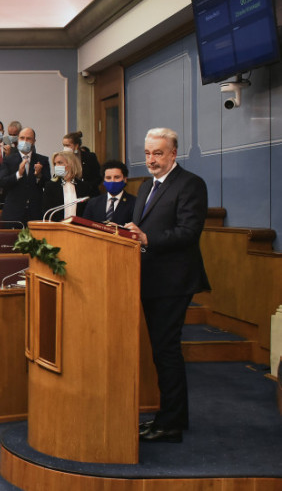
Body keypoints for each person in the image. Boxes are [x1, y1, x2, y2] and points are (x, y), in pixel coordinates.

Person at [127, 127, 209, 443]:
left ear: (173, 154)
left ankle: (171, 423)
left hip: (174, 282)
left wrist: (148, 238)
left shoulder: (190, 184)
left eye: (158, 153)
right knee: (161, 352)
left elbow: (189, 232)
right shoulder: (147, 186)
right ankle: (167, 417)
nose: (152, 160)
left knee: (167, 351)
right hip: (149, 280)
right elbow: (142, 229)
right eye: (148, 153)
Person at [0, 127, 49, 225]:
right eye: (22, 138)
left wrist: (39, 175)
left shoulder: (42, 160)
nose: (25, 141)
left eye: (28, 138)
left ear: (34, 141)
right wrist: (18, 174)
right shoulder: (8, 160)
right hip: (13, 213)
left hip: (35, 212)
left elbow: (47, 184)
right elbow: (2, 182)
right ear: (18, 140)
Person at [42, 150, 92, 221]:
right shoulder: (50, 186)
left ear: (71, 163)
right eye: (55, 163)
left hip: (78, 228)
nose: (56, 166)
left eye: (60, 163)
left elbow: (87, 212)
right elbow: (47, 212)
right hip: (57, 228)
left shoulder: (84, 186)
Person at [83, 160, 136, 225]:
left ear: (125, 179)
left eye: (117, 177)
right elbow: (85, 227)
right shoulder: (93, 203)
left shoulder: (135, 203)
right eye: (108, 178)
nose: (112, 181)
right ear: (103, 181)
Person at [63, 131, 101, 196]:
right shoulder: (61, 158)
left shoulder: (90, 157)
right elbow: (57, 177)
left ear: (76, 145)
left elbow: (98, 177)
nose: (65, 148)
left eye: (68, 145)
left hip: (88, 194)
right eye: (64, 145)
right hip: (69, 193)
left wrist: (87, 186)